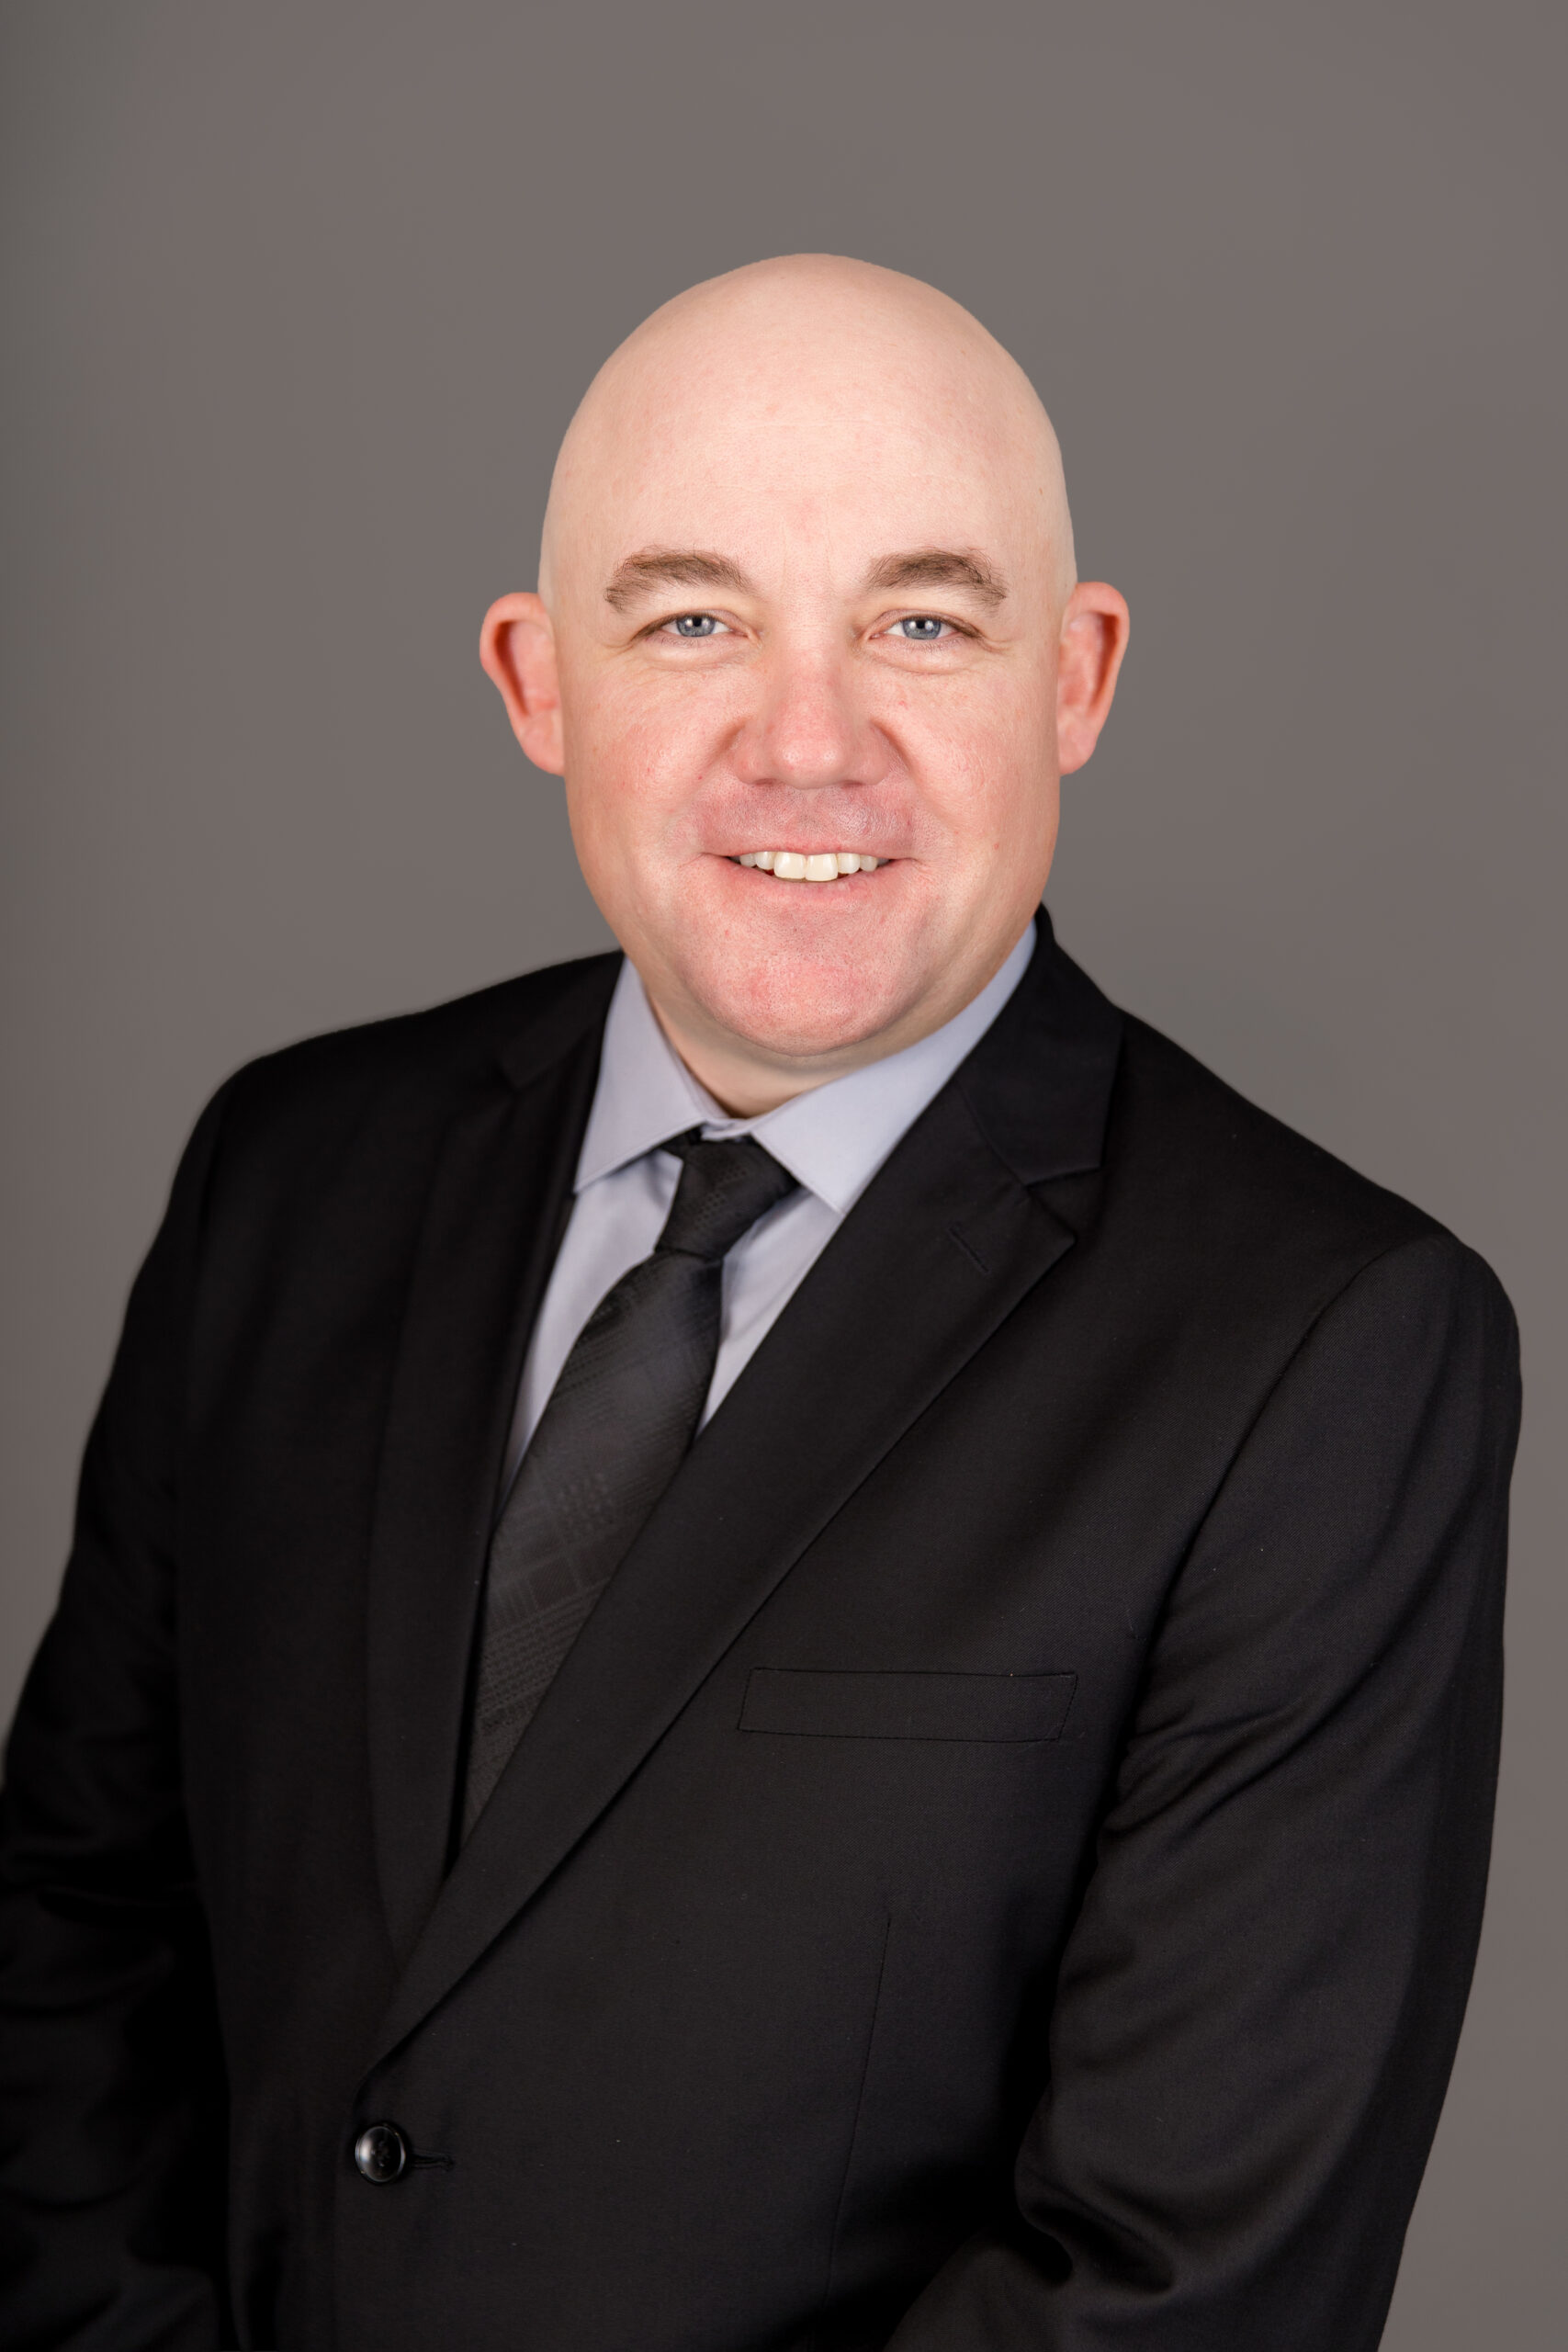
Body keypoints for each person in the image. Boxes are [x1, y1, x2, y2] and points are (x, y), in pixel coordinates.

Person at [0, 255, 1517, 2352]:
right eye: (693, 620)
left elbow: (1178, 2287)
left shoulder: (1326, 1344)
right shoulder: (290, 1174)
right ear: (539, 681)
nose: (808, 744)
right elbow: (67, 1951)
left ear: (1075, 678)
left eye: (922, 622)